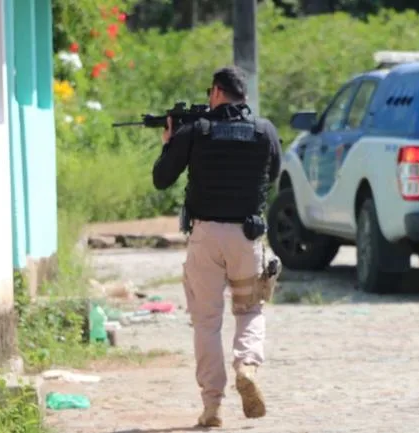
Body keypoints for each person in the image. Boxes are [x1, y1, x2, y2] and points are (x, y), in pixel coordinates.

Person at [151, 66, 282, 428]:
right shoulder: (264, 130)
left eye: (211, 92)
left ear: (219, 92)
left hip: (205, 236)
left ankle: (212, 407)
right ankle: (247, 366)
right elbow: (272, 176)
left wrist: (170, 143)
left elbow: (162, 179)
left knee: (206, 323)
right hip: (247, 237)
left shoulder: (196, 131)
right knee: (250, 311)